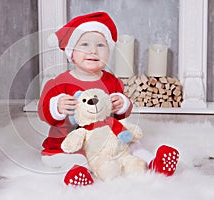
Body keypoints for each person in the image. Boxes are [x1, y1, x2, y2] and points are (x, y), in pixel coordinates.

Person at [38, 12, 179, 184]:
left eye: (100, 45)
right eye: (84, 44)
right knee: (71, 158)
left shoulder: (112, 81)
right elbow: (44, 111)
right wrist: (57, 107)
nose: (92, 50)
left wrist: (122, 104)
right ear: (71, 53)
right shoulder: (59, 82)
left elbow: (121, 115)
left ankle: (153, 164)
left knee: (132, 145)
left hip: (107, 140)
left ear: (109, 53)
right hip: (73, 141)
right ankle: (80, 174)